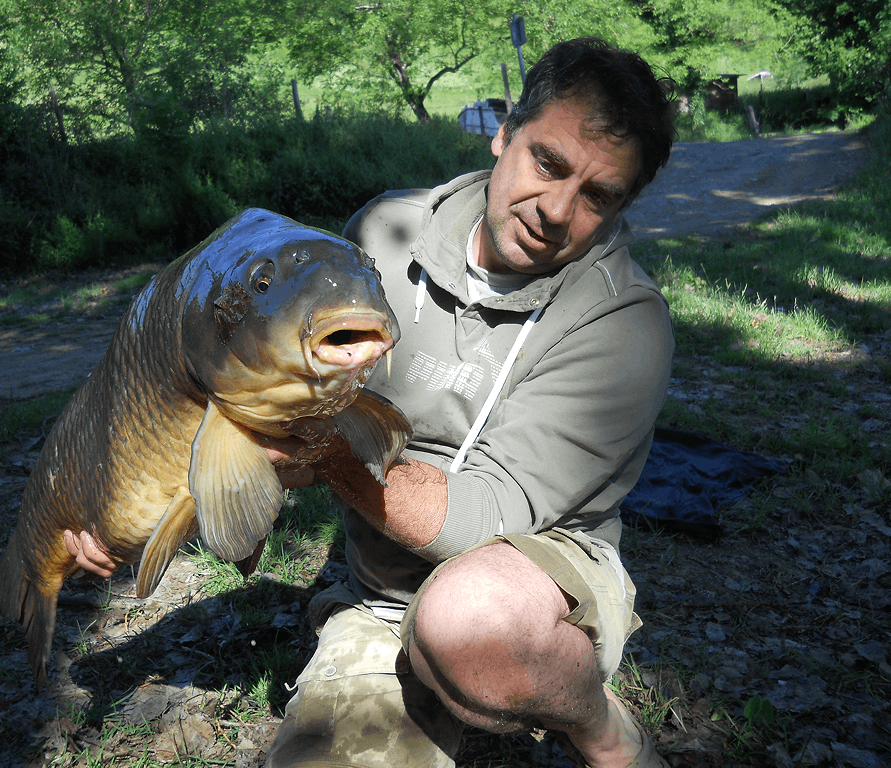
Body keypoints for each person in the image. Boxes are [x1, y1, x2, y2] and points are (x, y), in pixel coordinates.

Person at [66, 37, 676, 768]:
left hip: (531, 565)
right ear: (505, 131)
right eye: (547, 162)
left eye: (597, 196)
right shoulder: (382, 235)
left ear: (622, 206)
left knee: (468, 624)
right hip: (382, 586)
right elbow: (258, 405)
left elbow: (490, 516)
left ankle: (595, 724)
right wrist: (140, 506)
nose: (555, 208)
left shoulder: (624, 324)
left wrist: (318, 449)